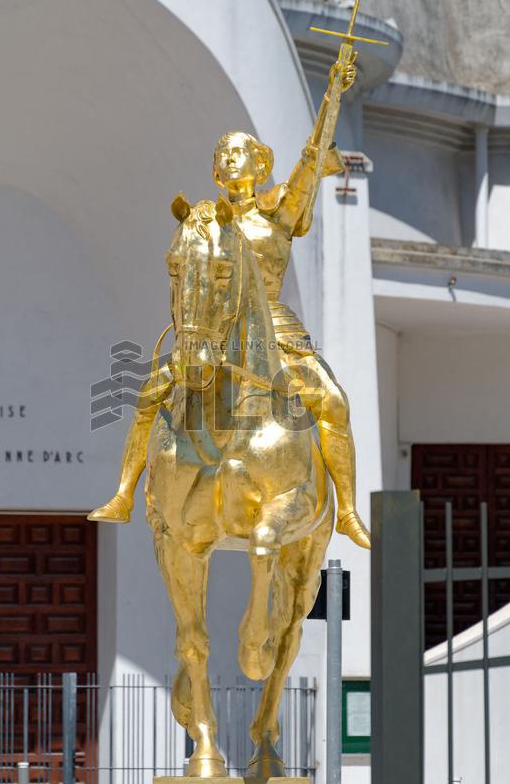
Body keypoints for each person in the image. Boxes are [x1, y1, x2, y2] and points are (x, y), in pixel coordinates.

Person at [89, 60, 370, 549]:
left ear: (260, 165)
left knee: (332, 401)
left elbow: (312, 155)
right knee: (149, 392)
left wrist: (332, 92)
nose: (229, 157)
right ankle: (125, 493)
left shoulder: (279, 209)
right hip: (213, 331)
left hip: (274, 330)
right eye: (223, 153)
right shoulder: (204, 220)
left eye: (239, 151)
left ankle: (345, 508)